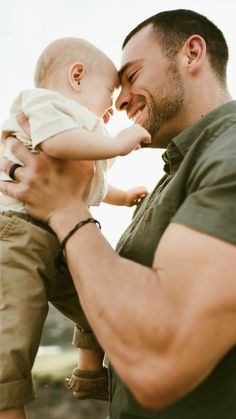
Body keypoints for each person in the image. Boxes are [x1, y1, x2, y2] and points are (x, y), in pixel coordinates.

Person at [1, 8, 236, 419]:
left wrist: (63, 208)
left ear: (192, 53)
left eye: (131, 77)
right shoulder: (175, 173)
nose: (120, 98)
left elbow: (163, 360)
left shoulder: (227, 150)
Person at [0, 37, 151, 417]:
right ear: (77, 76)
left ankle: (88, 373)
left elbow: (92, 188)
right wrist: (117, 145)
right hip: (18, 232)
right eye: (110, 92)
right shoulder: (44, 105)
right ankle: (8, 407)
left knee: (96, 300)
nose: (114, 106)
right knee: (13, 326)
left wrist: (122, 195)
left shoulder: (82, 131)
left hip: (58, 234)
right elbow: (58, 143)